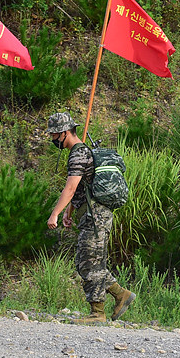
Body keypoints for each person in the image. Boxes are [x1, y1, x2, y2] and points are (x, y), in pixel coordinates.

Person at [46, 112, 135, 324]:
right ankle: (121, 294)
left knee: (89, 262)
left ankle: (98, 313)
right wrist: (69, 213)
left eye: (54, 135)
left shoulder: (78, 153)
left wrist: (55, 214)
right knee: (87, 261)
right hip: (92, 214)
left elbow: (70, 187)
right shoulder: (81, 153)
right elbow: (82, 188)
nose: (52, 139)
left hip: (95, 216)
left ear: (65, 133)